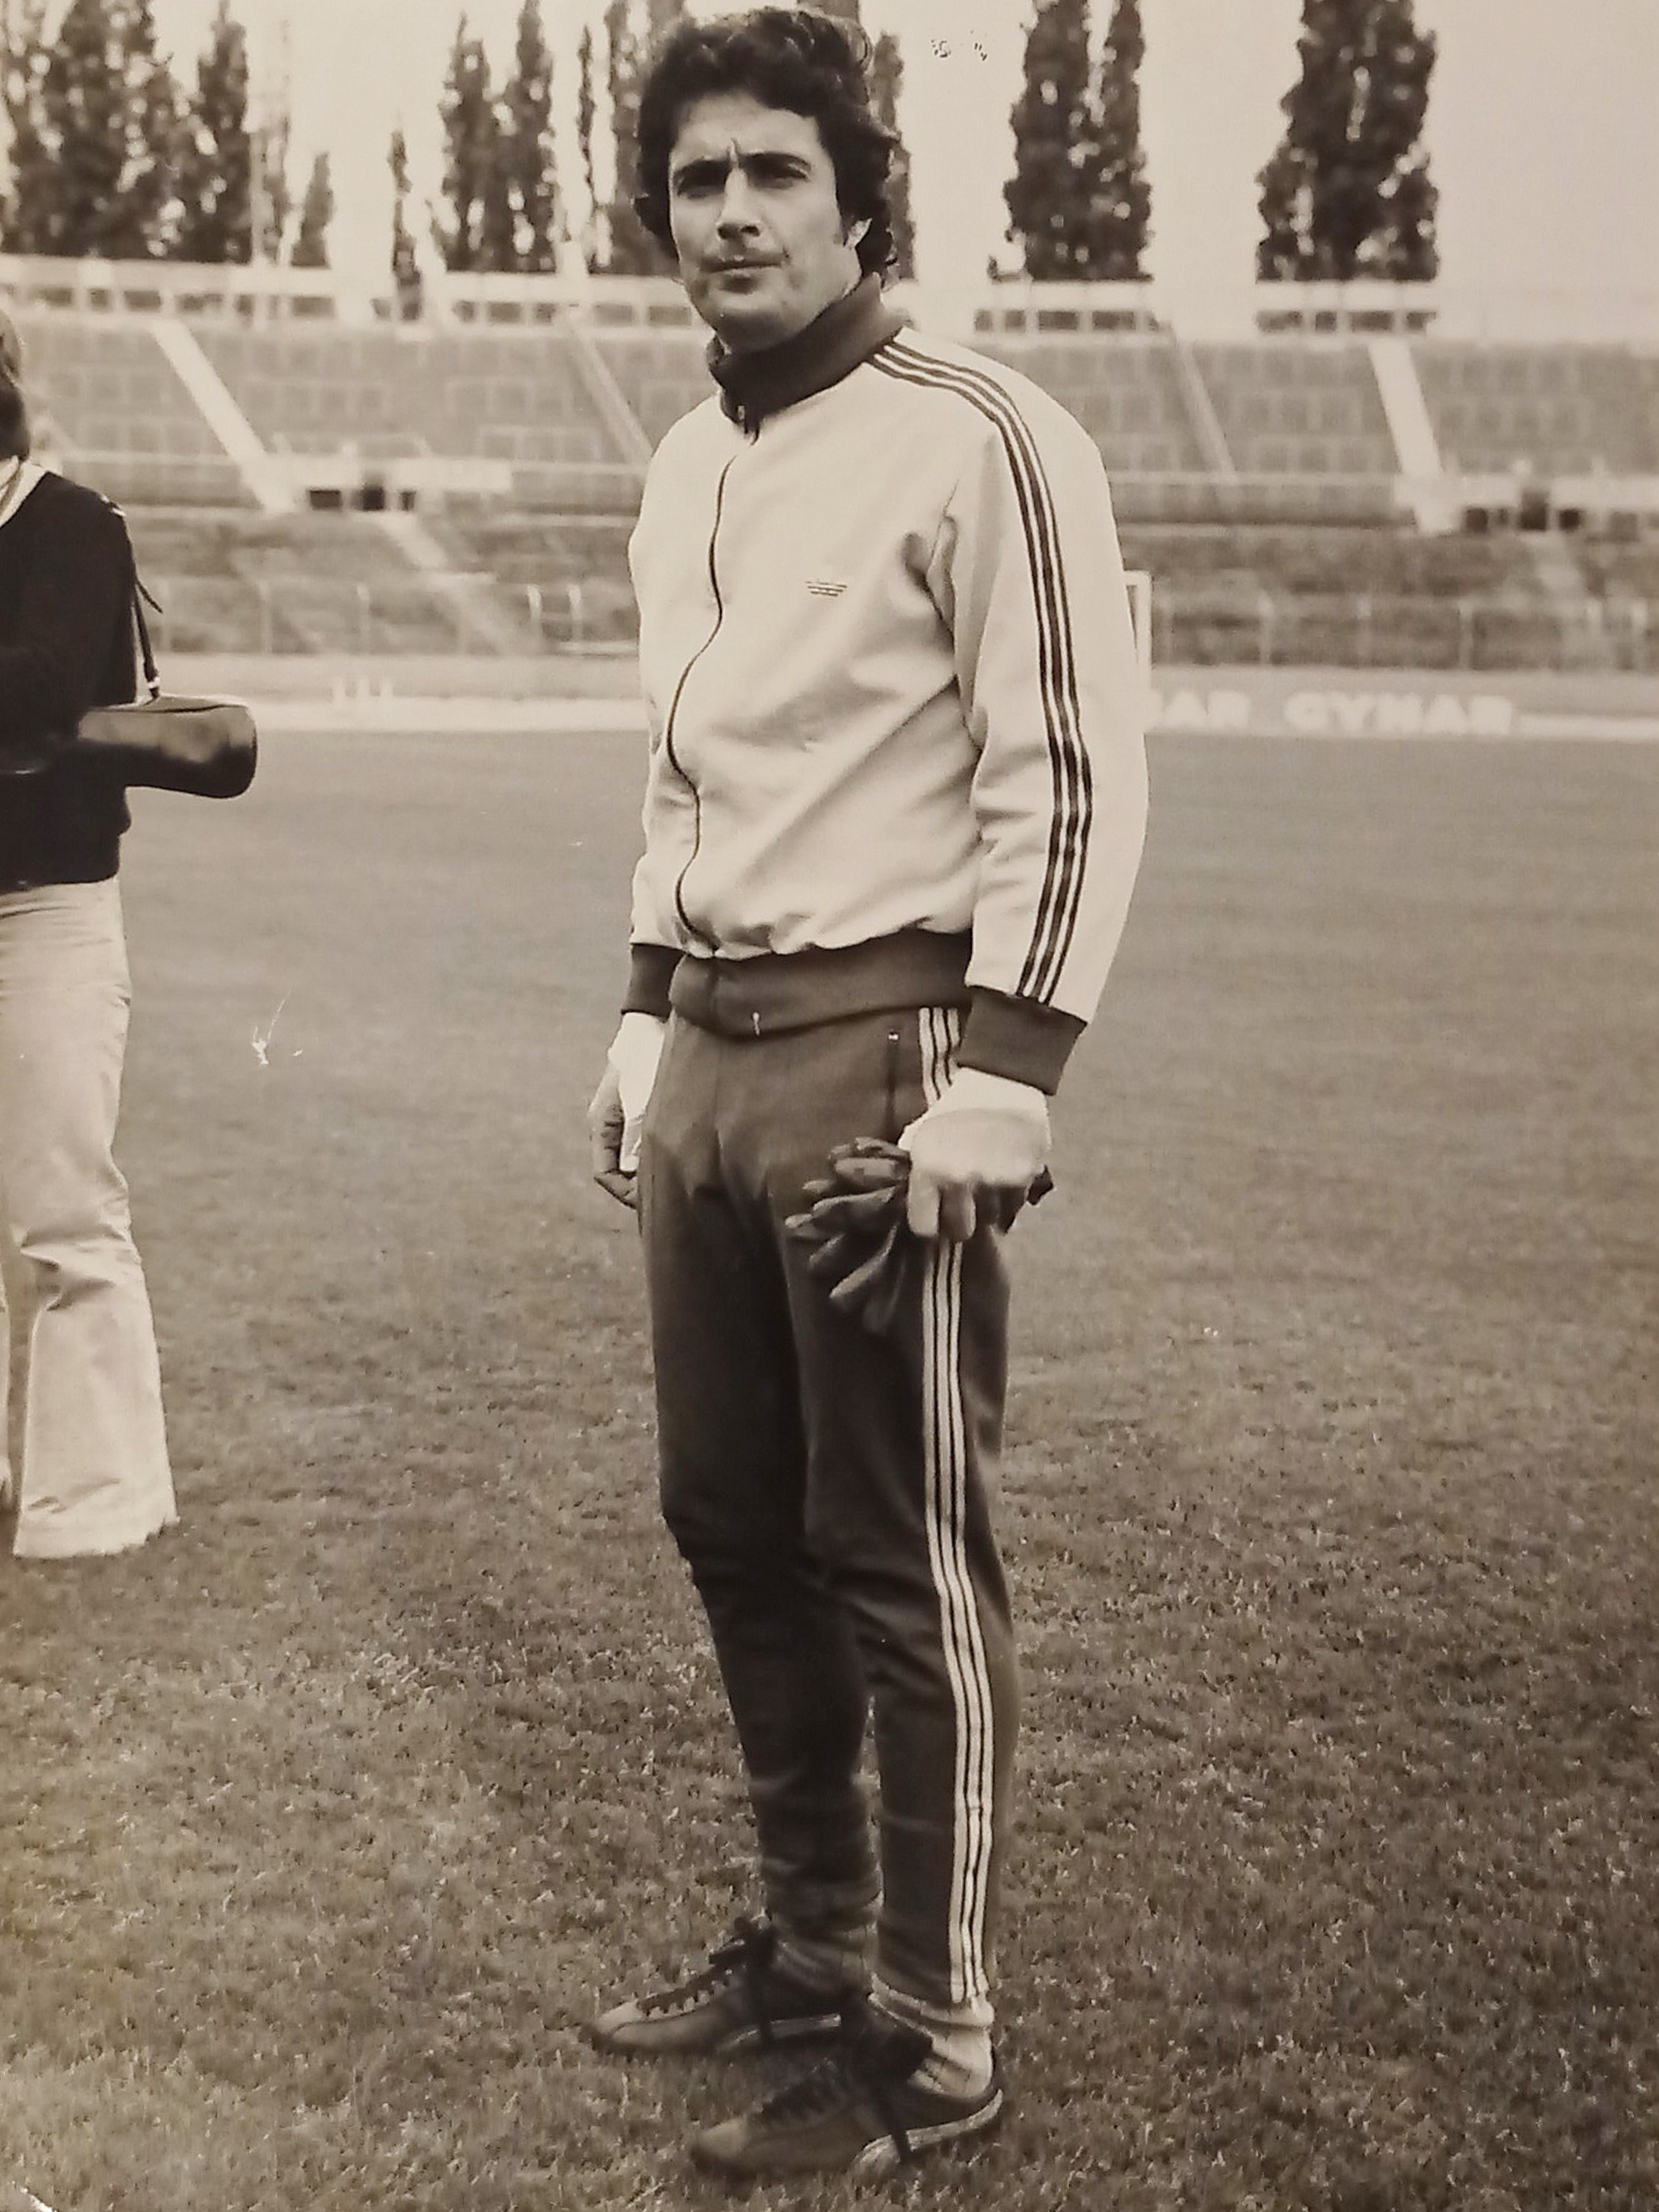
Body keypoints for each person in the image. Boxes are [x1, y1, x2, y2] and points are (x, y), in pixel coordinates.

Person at [585, 8, 1148, 2183]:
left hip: (889, 1051)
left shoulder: (982, 433)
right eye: (698, 178)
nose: (729, 211)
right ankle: (817, 1942)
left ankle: (943, 2030)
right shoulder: (688, 462)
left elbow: (1070, 768)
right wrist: (645, 1008)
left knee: (899, 1552)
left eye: (773, 174)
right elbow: (681, 762)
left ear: (856, 195)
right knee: (729, 1521)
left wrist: (1010, 1075)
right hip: (715, 1051)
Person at [0, 305, 177, 1560]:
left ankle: (97, 1501)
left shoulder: (71, 523)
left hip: (44, 912)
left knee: (63, 1212)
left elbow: (42, 682)